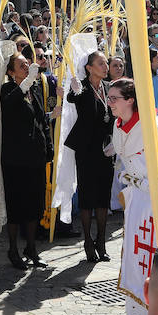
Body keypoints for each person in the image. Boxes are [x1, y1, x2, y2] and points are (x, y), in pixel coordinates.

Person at [107, 77, 158, 315]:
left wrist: (153, 185)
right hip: (136, 200)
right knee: (137, 252)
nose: (110, 103)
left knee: (155, 253)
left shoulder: (156, 128)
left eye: (115, 98)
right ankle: (138, 306)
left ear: (131, 100)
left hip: (156, 200)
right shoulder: (118, 124)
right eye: (109, 98)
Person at [0, 52, 51, 269]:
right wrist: (27, 82)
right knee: (17, 205)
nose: (26, 68)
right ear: (11, 72)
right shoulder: (7, 89)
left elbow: (39, 118)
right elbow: (10, 107)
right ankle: (13, 249)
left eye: (27, 64)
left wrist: (52, 117)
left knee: (34, 203)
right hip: (15, 158)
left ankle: (31, 247)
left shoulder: (33, 89)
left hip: (34, 155)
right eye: (21, 66)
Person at [66, 51, 114, 262]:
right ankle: (87, 241)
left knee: (103, 196)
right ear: (89, 67)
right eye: (101, 63)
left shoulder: (108, 87)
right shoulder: (82, 86)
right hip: (86, 150)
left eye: (106, 63)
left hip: (105, 149)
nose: (105, 67)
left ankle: (101, 241)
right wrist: (74, 91)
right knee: (87, 197)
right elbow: (71, 96)